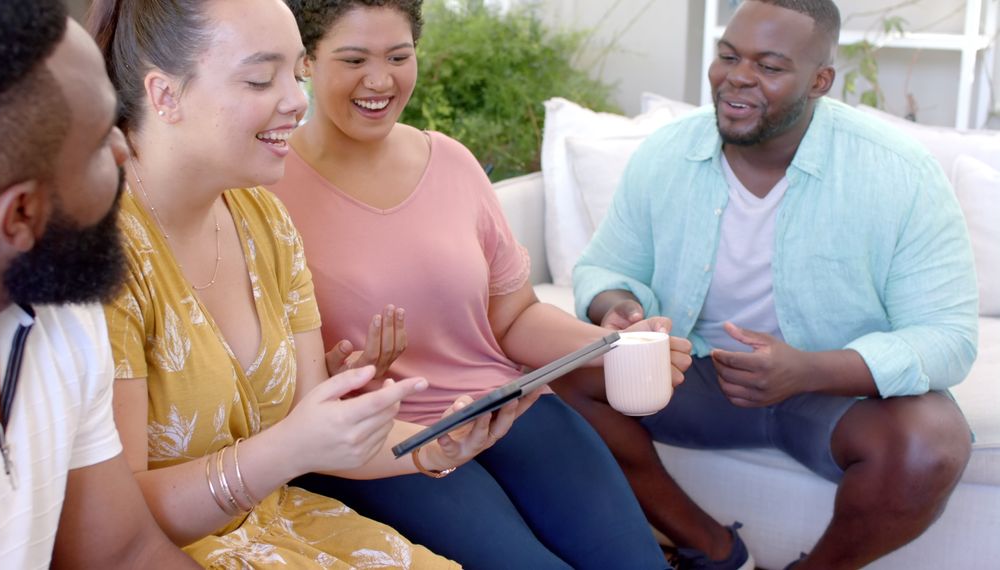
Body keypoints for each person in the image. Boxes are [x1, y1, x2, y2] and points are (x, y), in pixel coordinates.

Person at [89, 0, 521, 567]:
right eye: (261, 79)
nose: (298, 101)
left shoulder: (265, 222)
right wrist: (289, 448)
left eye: (295, 74)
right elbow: (110, 528)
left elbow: (317, 425)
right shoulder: (100, 258)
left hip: (284, 526)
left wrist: (433, 444)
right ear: (165, 95)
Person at [268, 1, 691, 568]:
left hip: (509, 407)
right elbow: (265, 372)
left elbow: (512, 317)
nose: (380, 80)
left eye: (399, 56)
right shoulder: (266, 190)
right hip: (386, 444)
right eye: (353, 59)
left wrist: (610, 346)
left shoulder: (452, 162)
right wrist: (338, 372)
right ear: (305, 62)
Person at [562, 1, 978, 569]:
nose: (738, 76)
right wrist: (619, 305)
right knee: (557, 373)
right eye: (728, 56)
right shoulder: (665, 155)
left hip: (834, 390)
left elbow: (948, 336)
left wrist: (809, 370)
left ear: (820, 81)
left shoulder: (898, 172)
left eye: (770, 66)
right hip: (699, 375)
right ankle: (712, 548)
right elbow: (606, 267)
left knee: (933, 441)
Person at [0, 1, 198, 568]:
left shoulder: (59, 317)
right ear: (20, 215)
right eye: (101, 142)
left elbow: (125, 553)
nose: (125, 149)